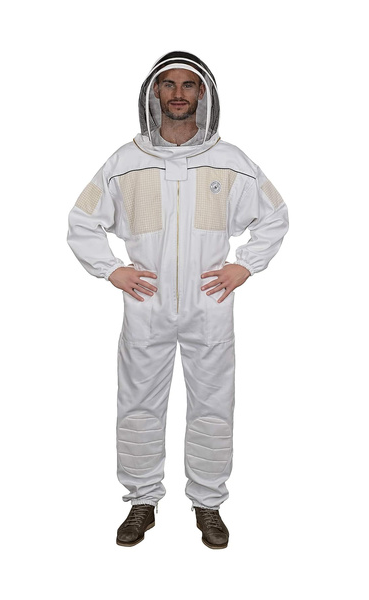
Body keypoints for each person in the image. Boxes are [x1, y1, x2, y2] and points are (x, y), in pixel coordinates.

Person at [67, 51, 289, 549]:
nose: (179, 94)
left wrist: (246, 264)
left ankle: (208, 503)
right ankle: (141, 501)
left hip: (209, 305)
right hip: (146, 306)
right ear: (154, 93)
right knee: (138, 407)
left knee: (213, 407)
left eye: (189, 85)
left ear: (203, 94)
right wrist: (111, 269)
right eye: (169, 84)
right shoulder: (125, 162)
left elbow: (275, 215)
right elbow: (82, 220)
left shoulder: (231, 161)